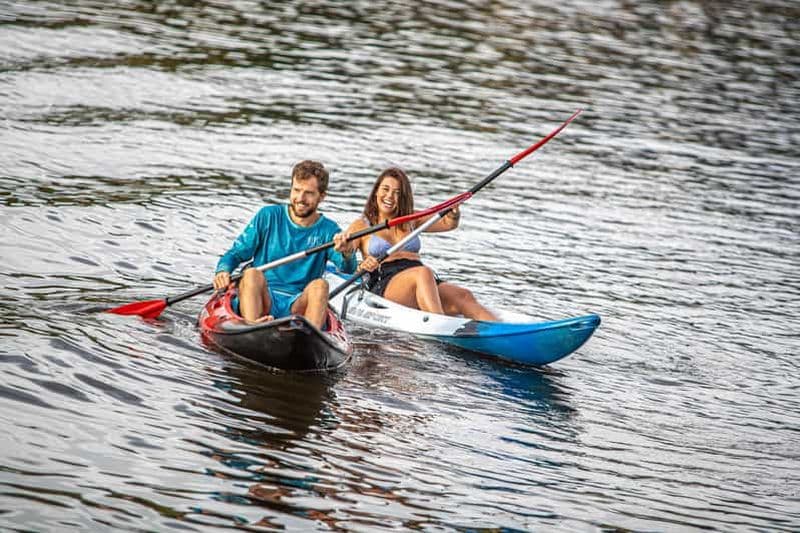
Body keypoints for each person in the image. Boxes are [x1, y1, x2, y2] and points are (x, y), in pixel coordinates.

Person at [212, 160, 357, 329]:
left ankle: (309, 338)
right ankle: (252, 329)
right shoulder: (268, 216)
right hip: (263, 296)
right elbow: (237, 253)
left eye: (309, 193)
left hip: (298, 304)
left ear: (322, 196)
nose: (300, 199)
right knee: (251, 274)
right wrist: (223, 270)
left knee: (320, 286)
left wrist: (347, 253)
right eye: (296, 190)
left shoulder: (329, 230)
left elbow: (348, 269)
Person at [344, 167, 498, 321]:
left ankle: (499, 331)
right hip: (384, 281)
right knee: (423, 273)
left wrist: (454, 214)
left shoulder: (411, 218)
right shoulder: (361, 225)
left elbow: (448, 224)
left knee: (463, 295)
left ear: (403, 197)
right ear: (376, 191)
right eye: (385, 189)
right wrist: (347, 252)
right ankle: (440, 325)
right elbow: (346, 253)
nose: (390, 196)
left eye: (397, 193)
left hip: (422, 280)